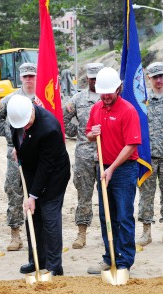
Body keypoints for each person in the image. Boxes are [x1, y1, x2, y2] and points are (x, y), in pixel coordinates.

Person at [85, 67, 141, 275]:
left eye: (109, 92)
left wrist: (112, 168)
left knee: (124, 215)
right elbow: (89, 134)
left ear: (118, 88)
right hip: (103, 169)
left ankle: (125, 261)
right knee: (106, 215)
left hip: (124, 170)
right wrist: (93, 133)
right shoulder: (96, 109)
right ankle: (110, 257)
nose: (106, 97)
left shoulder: (128, 111)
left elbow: (131, 146)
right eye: (102, 93)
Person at [8, 96, 71, 276]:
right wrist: (18, 148)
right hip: (31, 170)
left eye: (27, 123)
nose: (25, 126)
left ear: (33, 110)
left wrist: (33, 196)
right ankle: (37, 260)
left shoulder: (49, 128)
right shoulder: (17, 116)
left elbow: (46, 166)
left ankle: (54, 266)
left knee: (49, 215)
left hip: (54, 175)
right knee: (32, 217)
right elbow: (20, 138)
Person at [0, 62, 39, 252]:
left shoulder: (43, 98)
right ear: (20, 77)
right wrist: (5, 134)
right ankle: (15, 234)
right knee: (13, 191)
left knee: (38, 192)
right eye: (25, 76)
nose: (29, 79)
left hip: (37, 153)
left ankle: (37, 232)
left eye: (32, 76)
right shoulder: (10, 100)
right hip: (15, 154)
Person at [63, 62, 104, 249]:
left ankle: (108, 233)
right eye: (91, 78)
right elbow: (64, 119)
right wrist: (77, 131)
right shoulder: (78, 99)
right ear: (86, 78)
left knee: (108, 197)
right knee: (84, 196)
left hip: (107, 155)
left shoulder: (109, 97)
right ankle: (81, 233)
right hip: (84, 155)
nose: (94, 81)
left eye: (97, 78)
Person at [137, 61, 163, 246]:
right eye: (155, 77)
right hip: (148, 157)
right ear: (149, 79)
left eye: (161, 76)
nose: (159, 80)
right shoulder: (143, 100)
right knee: (146, 194)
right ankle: (146, 231)